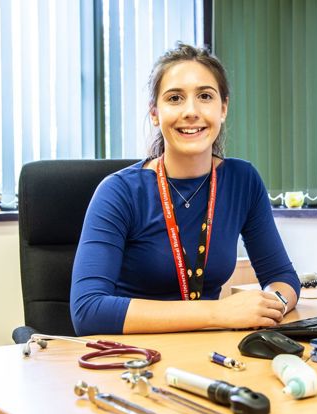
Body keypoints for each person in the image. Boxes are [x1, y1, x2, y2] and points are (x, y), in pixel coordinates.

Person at [70, 43, 300, 336]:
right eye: (175, 98)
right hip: (131, 360)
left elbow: (281, 276)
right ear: (155, 113)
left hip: (209, 354)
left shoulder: (243, 180)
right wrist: (217, 312)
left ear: (223, 108)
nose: (191, 112)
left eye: (205, 96)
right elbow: (88, 311)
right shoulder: (118, 192)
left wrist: (273, 306)